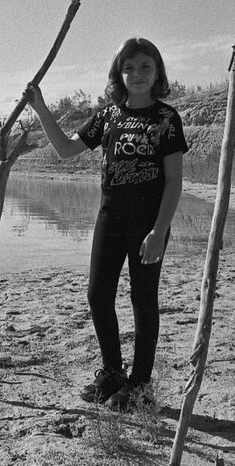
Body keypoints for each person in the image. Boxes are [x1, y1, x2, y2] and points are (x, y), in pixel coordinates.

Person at [24, 37, 187, 411]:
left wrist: (159, 231)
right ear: (119, 73)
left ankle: (141, 386)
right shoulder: (109, 116)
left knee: (143, 300)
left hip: (149, 222)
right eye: (129, 68)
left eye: (146, 67)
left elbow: (174, 181)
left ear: (158, 71)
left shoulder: (166, 119)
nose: (137, 74)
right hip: (109, 216)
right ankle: (113, 374)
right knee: (98, 295)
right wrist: (41, 108)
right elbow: (65, 150)